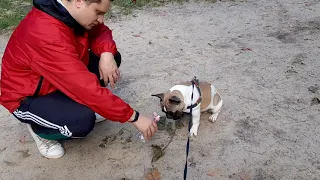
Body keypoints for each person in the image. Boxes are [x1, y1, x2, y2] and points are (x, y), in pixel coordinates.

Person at [0, 0, 158, 159]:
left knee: (111, 59)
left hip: (58, 80)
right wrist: (134, 117)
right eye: (98, 12)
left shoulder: (71, 13)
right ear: (79, 2)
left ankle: (75, 105)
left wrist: (106, 53)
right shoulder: (46, 33)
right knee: (81, 122)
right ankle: (40, 129)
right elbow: (84, 88)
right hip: (27, 96)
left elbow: (101, 31)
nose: (101, 19)